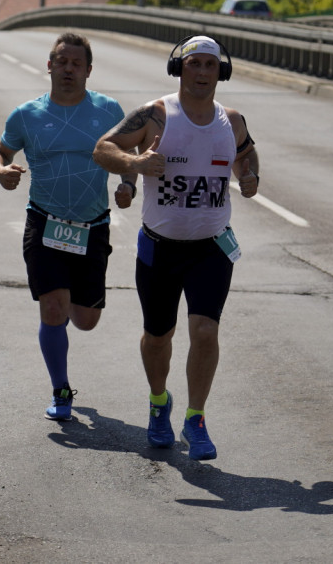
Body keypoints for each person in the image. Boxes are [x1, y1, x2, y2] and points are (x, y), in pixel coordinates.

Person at [92, 35, 260, 461]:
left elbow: (247, 154)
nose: (202, 73)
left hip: (212, 249)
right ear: (179, 69)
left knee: (205, 331)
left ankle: (196, 418)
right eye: (194, 64)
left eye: (210, 65)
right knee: (157, 335)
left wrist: (250, 176)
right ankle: (158, 402)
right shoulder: (157, 115)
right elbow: (103, 149)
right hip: (159, 247)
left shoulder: (232, 120)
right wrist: (135, 165)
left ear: (220, 71)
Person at [0, 32, 136, 421]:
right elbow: (1, 150)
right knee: (52, 308)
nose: (68, 68)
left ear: (88, 70)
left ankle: (68, 304)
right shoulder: (26, 114)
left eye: (76, 63)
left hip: (93, 226)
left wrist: (128, 182)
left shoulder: (107, 110)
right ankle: (61, 388)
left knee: (85, 320)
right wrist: (1, 170)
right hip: (44, 222)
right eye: (61, 61)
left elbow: (130, 151)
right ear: (49, 65)